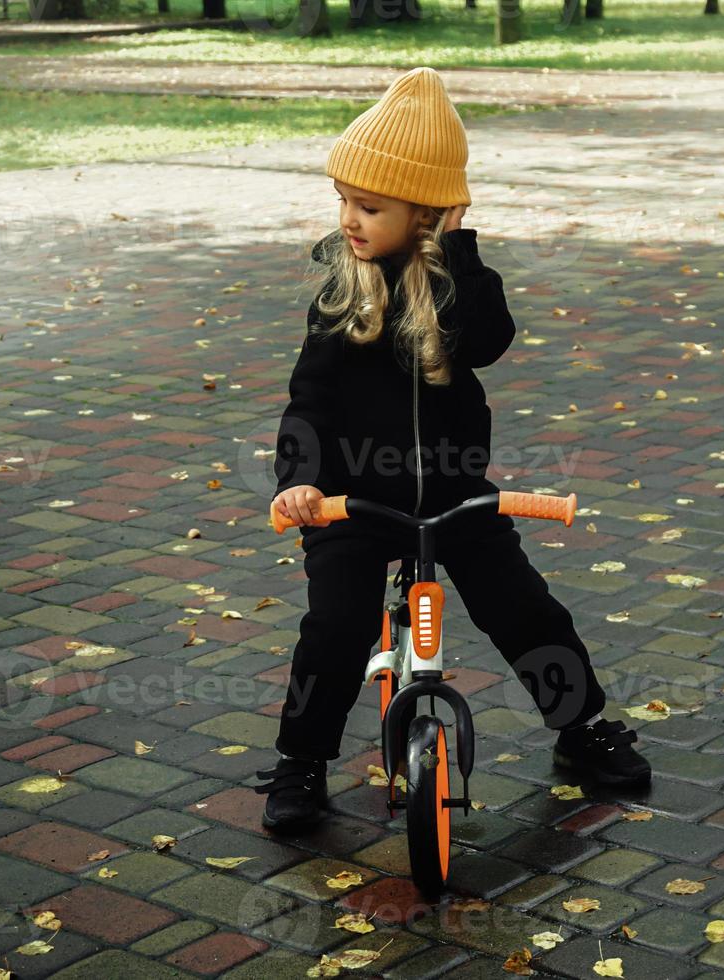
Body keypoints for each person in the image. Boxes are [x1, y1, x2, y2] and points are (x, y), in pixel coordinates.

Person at [252, 66, 650, 833]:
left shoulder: (459, 287)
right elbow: (309, 399)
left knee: (524, 607)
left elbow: (488, 342)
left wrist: (457, 244)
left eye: (369, 205)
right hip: (353, 500)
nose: (349, 219)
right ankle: (301, 760)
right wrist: (300, 482)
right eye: (343, 201)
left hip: (452, 494)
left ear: (425, 213)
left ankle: (582, 728)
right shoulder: (339, 293)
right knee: (334, 627)